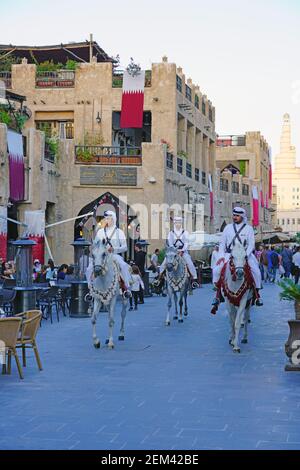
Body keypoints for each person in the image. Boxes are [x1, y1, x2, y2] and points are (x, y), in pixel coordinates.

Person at [212, 207, 263, 307]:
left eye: (237, 216)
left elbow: (251, 244)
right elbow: (222, 243)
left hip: (245, 255)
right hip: (229, 254)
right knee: (217, 270)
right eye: (234, 215)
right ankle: (217, 295)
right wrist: (221, 256)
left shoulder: (249, 229)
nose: (235, 217)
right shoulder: (227, 228)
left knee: (256, 271)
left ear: (242, 217)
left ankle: (257, 295)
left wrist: (245, 256)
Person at [94, 210, 131, 295]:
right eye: (106, 218)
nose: (107, 220)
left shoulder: (119, 232)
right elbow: (95, 244)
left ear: (114, 219)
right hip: (102, 256)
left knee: (123, 265)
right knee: (89, 268)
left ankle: (126, 288)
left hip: (114, 255)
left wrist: (114, 249)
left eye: (109, 218)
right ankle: (91, 288)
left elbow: (125, 247)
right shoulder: (100, 232)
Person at [159, 216, 199, 288]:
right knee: (164, 264)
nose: (177, 224)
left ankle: (194, 280)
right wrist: (174, 251)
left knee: (190, 263)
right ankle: (159, 279)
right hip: (173, 252)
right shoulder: (171, 233)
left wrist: (182, 251)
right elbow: (170, 243)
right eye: (176, 223)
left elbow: (186, 243)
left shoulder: (185, 233)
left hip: (183, 252)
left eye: (179, 223)